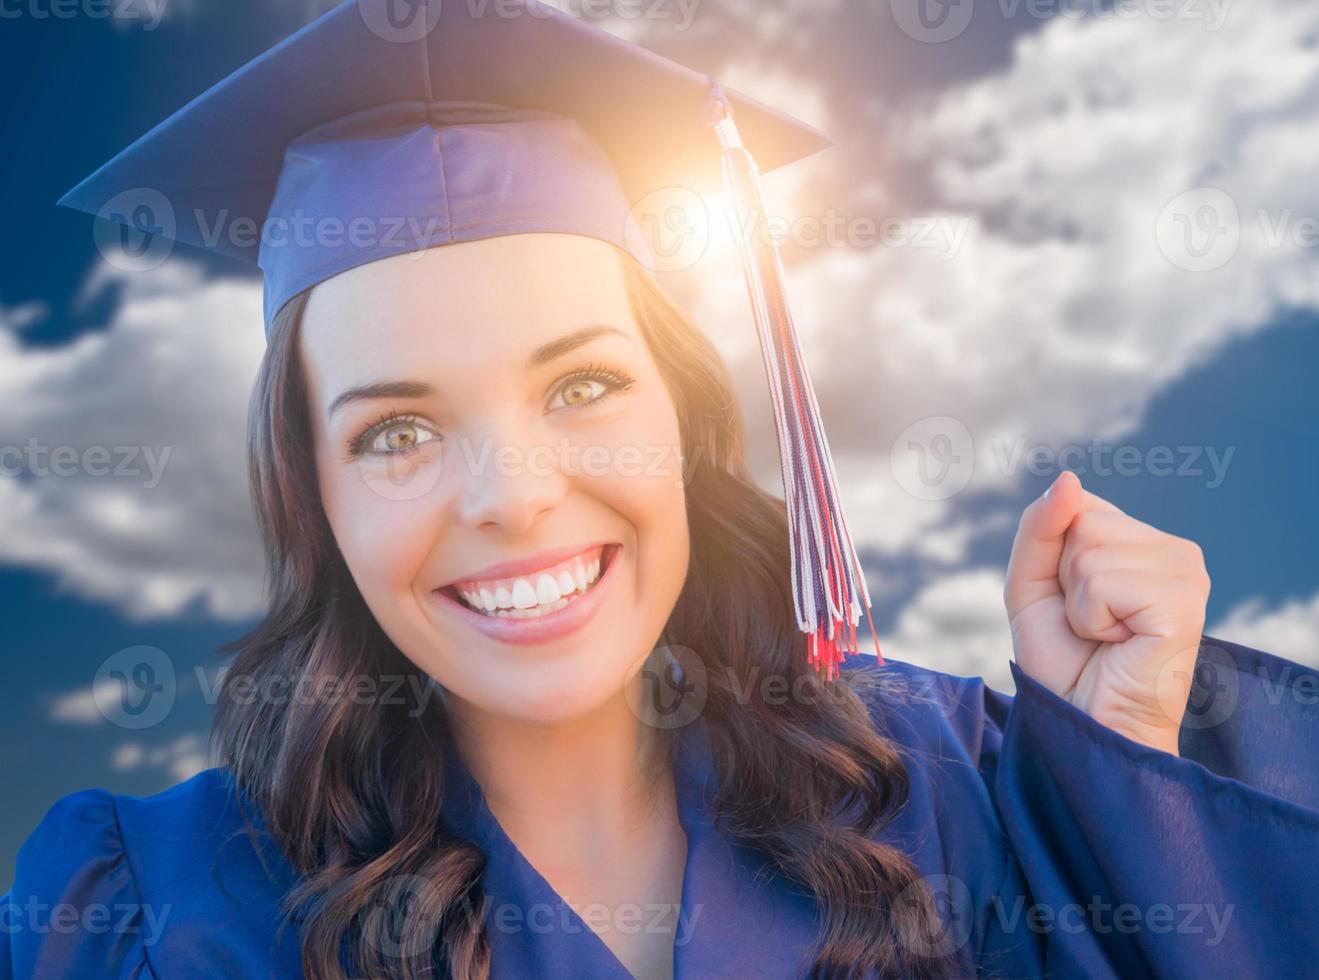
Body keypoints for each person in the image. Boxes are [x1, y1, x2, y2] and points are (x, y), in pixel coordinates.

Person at [4, 1, 1317, 978]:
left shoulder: (956, 791)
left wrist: (1119, 785)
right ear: (316, 498)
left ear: (684, 418)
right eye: (397, 431)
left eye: (580, 387)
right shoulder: (163, 909)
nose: (514, 498)